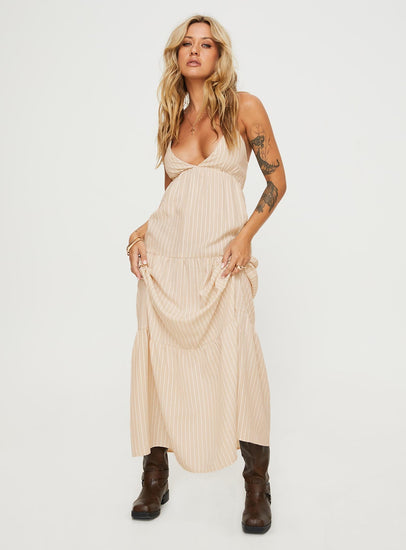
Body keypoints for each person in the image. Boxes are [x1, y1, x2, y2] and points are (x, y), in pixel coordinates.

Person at [127, 14, 286, 534]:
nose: (195, 51)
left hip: (222, 262)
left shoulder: (244, 107)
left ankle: (257, 486)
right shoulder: (173, 120)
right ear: (177, 55)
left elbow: (277, 182)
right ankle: (155, 476)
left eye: (207, 44)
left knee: (241, 364)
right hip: (167, 266)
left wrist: (245, 236)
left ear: (220, 55)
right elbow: (175, 200)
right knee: (160, 365)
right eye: (187, 44)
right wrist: (139, 235)